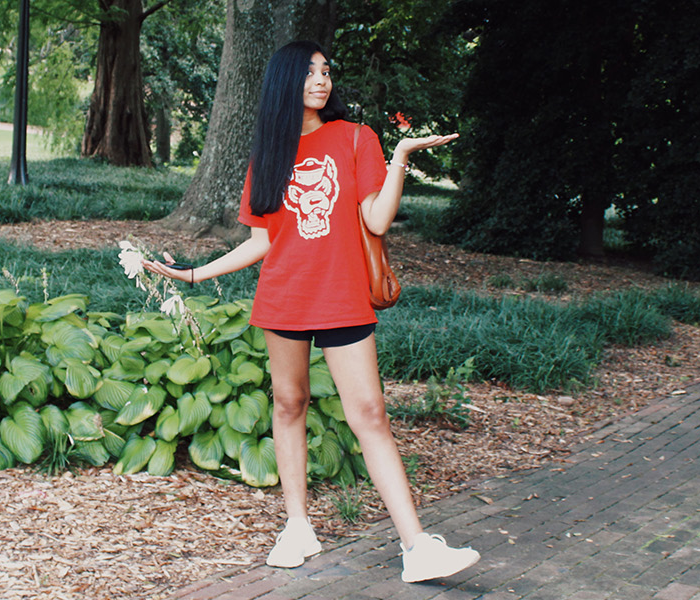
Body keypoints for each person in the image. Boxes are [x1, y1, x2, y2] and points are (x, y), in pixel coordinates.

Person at [142, 40, 476, 583]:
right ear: (285, 82)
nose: (321, 80)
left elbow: (377, 221)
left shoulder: (355, 138)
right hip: (285, 297)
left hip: (342, 297)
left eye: (326, 71)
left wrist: (398, 159)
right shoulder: (268, 155)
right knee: (289, 405)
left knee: (369, 414)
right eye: (309, 72)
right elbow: (262, 241)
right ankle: (298, 526)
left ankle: (417, 547)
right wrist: (197, 273)